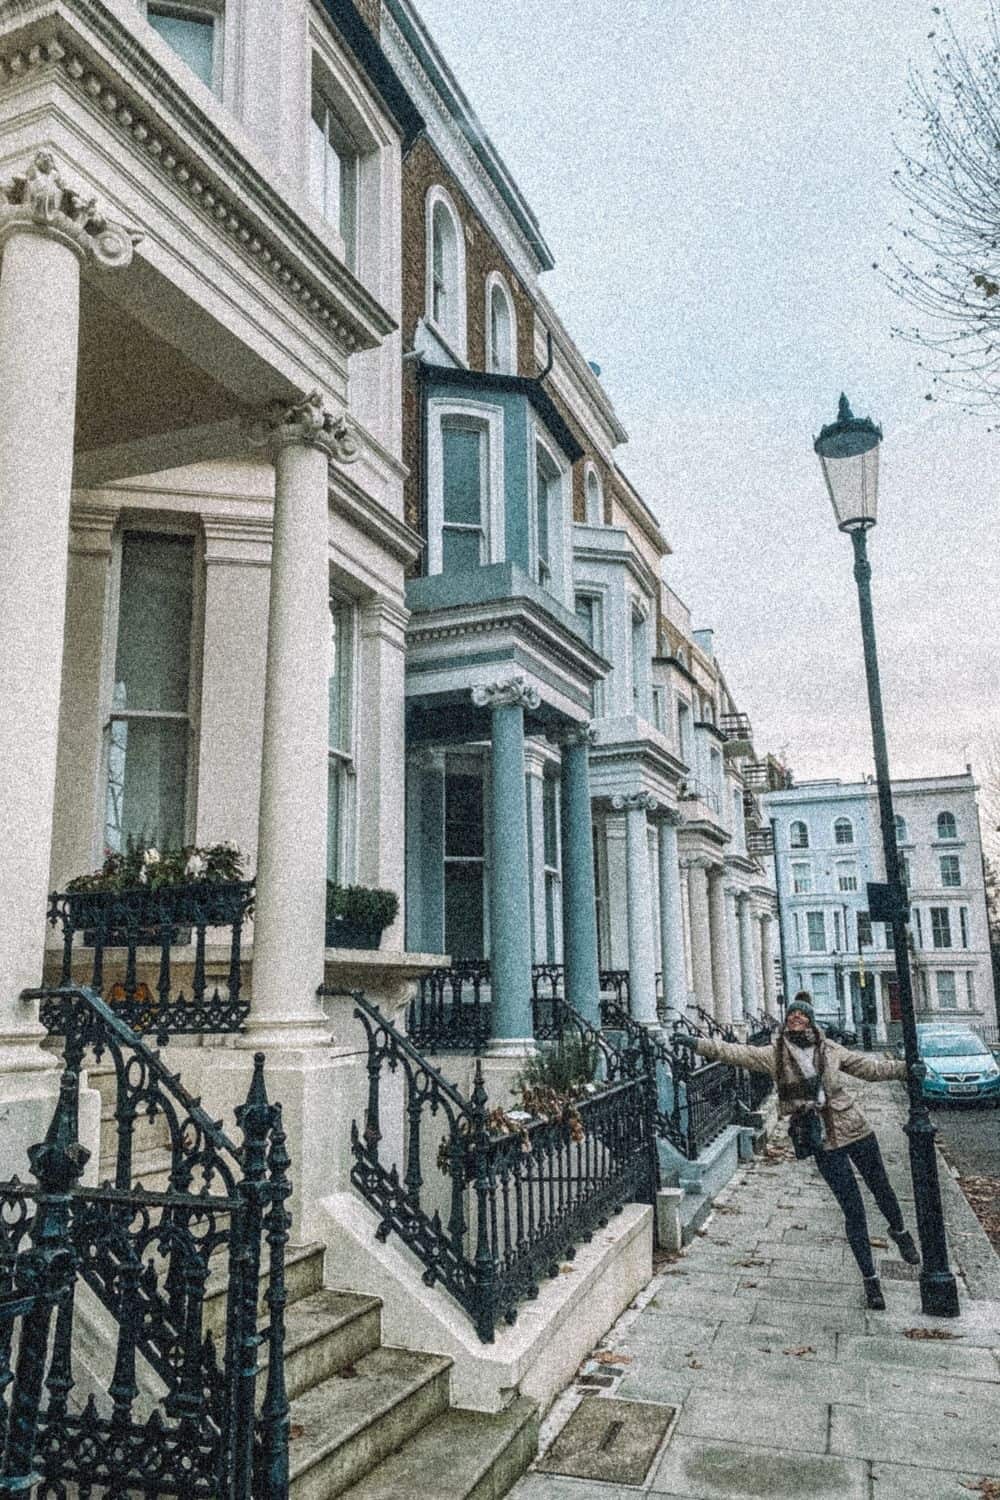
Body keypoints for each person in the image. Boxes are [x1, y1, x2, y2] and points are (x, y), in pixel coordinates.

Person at [674, 992, 920, 1310]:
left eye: (802, 1016)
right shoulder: (774, 1055)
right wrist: (696, 1044)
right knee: (853, 1210)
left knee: (882, 1190)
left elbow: (870, 1069)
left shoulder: (830, 1050)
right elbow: (735, 1052)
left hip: (855, 1128)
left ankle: (900, 1232)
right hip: (820, 1139)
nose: (796, 1020)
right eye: (792, 1016)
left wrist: (905, 1068)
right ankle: (871, 1280)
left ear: (811, 1021)